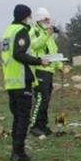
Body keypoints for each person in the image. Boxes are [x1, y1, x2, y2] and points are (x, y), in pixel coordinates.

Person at [1, 4, 44, 161]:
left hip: (11, 81)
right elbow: (19, 54)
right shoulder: (21, 31)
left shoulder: (8, 31)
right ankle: (18, 152)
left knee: (17, 117)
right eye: (30, 16)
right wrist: (39, 61)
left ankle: (16, 149)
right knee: (23, 118)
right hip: (21, 80)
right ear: (25, 16)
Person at [28, 7, 62, 136]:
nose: (48, 22)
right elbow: (34, 46)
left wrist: (60, 66)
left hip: (49, 70)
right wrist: (46, 35)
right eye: (45, 19)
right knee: (41, 98)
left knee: (46, 99)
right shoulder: (34, 32)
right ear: (38, 20)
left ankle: (43, 125)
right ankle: (34, 125)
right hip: (39, 69)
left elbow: (53, 52)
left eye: (49, 19)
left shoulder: (49, 34)